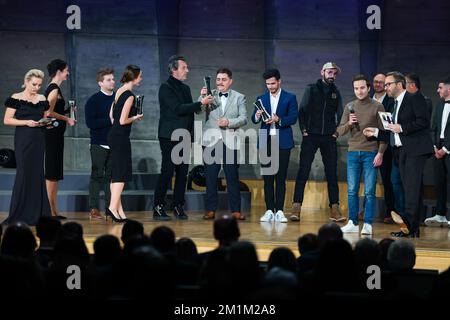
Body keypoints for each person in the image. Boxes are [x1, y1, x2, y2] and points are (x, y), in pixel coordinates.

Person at [364, 71, 433, 238]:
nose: (385, 87)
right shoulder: (395, 103)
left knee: (411, 189)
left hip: (415, 150)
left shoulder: (413, 97)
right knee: (406, 188)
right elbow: (391, 131)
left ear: (399, 84)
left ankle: (411, 227)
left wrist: (402, 127)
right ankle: (409, 227)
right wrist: (375, 132)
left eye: (388, 84)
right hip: (400, 151)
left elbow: (423, 121)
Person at [153, 55, 213, 220]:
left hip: (185, 135)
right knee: (167, 171)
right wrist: (200, 103)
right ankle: (158, 205)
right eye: (184, 68)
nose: (187, 70)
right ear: (174, 70)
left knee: (182, 172)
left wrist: (201, 100)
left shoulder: (185, 89)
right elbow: (177, 108)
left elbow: (190, 109)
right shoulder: (165, 88)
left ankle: (178, 205)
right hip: (169, 136)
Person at [293, 62, 345, 222]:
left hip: (329, 137)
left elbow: (342, 115)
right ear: (322, 72)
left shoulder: (336, 92)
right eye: (329, 72)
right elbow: (301, 111)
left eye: (335, 73)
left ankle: (335, 208)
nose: (332, 75)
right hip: (311, 136)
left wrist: (336, 133)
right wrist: (304, 130)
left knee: (332, 173)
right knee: (303, 171)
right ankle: (296, 207)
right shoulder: (311, 89)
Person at [338, 74, 386, 236]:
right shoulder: (350, 106)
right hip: (353, 152)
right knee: (352, 190)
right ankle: (352, 222)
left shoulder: (377, 106)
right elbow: (339, 131)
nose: (359, 91)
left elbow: (385, 134)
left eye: (362, 88)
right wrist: (349, 123)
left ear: (368, 88)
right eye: (356, 88)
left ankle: (367, 223)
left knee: (370, 190)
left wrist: (380, 153)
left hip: (370, 152)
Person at [2, 69, 51, 225]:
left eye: (39, 85)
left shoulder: (42, 98)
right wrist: (27, 122)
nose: (36, 87)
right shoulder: (16, 97)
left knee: (37, 175)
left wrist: (46, 123)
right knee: (23, 174)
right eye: (34, 84)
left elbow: (45, 117)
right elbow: (7, 120)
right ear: (26, 81)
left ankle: (38, 215)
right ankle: (20, 214)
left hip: (39, 139)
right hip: (23, 139)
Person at [201, 67, 247, 220]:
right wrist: (201, 99)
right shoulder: (209, 94)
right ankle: (210, 209)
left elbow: (243, 118)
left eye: (224, 79)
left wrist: (229, 122)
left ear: (230, 81)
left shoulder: (239, 97)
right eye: (218, 79)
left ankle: (235, 210)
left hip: (230, 140)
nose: (220, 82)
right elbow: (197, 111)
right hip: (211, 140)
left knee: (232, 176)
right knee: (211, 176)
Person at [252, 69, 298, 223]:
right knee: (267, 178)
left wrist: (278, 119)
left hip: (282, 141)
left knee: (280, 177)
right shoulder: (261, 98)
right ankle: (268, 210)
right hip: (266, 141)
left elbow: (293, 118)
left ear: (279, 81)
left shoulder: (290, 97)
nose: (270, 86)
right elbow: (253, 118)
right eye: (267, 84)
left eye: (273, 83)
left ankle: (279, 210)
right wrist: (257, 116)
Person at [106, 65, 144, 222]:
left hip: (114, 135)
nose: (141, 79)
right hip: (120, 137)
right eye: (140, 76)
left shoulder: (118, 91)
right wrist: (135, 118)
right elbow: (122, 120)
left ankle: (118, 211)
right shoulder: (130, 96)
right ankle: (112, 208)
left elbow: (111, 115)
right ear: (134, 77)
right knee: (120, 174)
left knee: (116, 173)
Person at [44, 59, 76, 219]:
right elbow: (48, 113)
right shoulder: (54, 89)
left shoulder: (56, 89)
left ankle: (54, 209)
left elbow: (54, 110)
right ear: (59, 72)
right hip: (51, 136)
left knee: (55, 173)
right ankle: (50, 210)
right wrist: (66, 118)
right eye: (66, 70)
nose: (68, 73)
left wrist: (67, 111)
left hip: (56, 136)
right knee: (51, 172)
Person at [84, 68, 115, 220]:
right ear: (100, 83)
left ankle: (111, 208)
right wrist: (109, 120)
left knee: (111, 177)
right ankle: (94, 209)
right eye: (109, 79)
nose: (112, 82)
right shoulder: (93, 100)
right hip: (99, 143)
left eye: (113, 79)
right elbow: (90, 123)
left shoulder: (118, 98)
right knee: (97, 176)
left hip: (115, 143)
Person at [426, 77, 450, 227]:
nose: (438, 90)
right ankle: (440, 214)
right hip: (438, 148)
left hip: (448, 148)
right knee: (439, 182)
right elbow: (433, 127)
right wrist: (435, 147)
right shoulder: (439, 105)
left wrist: (446, 149)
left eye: (440, 87)